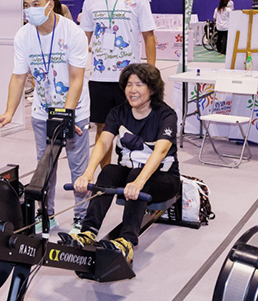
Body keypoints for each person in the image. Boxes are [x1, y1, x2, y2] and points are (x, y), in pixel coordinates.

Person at [0, 0, 92, 233]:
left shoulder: (72, 32)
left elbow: (76, 78)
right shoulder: (23, 35)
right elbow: (19, 76)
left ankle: (81, 216)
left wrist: (67, 113)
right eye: (26, 6)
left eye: (35, 5)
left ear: (49, 5)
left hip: (74, 111)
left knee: (78, 166)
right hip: (42, 112)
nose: (29, 11)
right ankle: (47, 213)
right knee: (45, 166)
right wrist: (10, 111)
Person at [65, 64, 181, 265]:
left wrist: (139, 181)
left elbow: (161, 150)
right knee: (109, 170)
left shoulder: (166, 115)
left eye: (139, 85)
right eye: (129, 85)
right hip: (131, 176)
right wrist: (88, 172)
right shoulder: (118, 112)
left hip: (164, 180)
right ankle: (87, 232)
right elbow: (103, 142)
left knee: (136, 174)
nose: (132, 90)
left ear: (152, 89)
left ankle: (126, 241)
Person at [81, 0, 157, 166]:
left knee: (131, 128)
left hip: (129, 79)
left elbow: (149, 36)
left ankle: (130, 171)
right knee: (103, 129)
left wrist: (150, 72)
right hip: (99, 78)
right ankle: (106, 176)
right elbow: (83, 37)